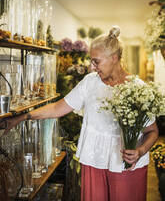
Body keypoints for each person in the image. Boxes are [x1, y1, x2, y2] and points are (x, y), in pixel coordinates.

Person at [5, 25, 158, 201]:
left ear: (114, 58)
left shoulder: (138, 89)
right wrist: (22, 118)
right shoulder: (90, 82)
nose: (92, 67)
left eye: (96, 61)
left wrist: (139, 151)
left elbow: (152, 131)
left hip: (127, 166)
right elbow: (57, 108)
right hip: (94, 160)